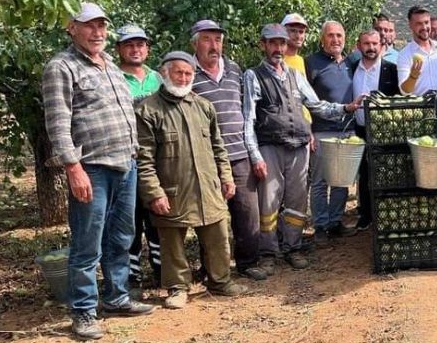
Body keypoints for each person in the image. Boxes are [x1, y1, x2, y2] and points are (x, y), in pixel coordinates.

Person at [42, 2, 154, 340]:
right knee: (87, 243)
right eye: (89, 25)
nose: (98, 32)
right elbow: (58, 124)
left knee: (121, 237)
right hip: (91, 167)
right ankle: (84, 311)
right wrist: (72, 167)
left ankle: (117, 297)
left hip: (126, 163)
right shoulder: (61, 67)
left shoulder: (109, 66)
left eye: (102, 25)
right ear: (71, 28)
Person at [243, 24, 362, 272]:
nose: (278, 48)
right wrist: (255, 156)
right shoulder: (254, 76)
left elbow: (316, 105)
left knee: (297, 202)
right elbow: (248, 120)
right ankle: (268, 254)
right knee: (269, 203)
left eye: (282, 43)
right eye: (272, 43)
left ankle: (293, 248)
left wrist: (345, 108)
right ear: (263, 45)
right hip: (270, 146)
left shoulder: (295, 76)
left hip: (298, 146)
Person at [136, 51, 247, 309]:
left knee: (218, 236)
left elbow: (219, 147)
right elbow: (143, 159)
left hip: (208, 187)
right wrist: (154, 193)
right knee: (172, 241)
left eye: (188, 74)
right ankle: (177, 288)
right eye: (179, 73)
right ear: (165, 74)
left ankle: (220, 281)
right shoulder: (148, 110)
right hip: (173, 190)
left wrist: (226, 177)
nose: (184, 78)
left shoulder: (203, 106)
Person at [190, 20, 265, 281]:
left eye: (218, 40)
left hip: (239, 152)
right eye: (208, 39)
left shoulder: (234, 69)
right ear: (195, 43)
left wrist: (253, 151)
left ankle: (247, 262)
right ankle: (210, 267)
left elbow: (246, 112)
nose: (214, 45)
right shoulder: (188, 72)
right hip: (206, 157)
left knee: (247, 212)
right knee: (209, 216)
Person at [115, 24, 162, 298]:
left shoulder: (158, 78)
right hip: (126, 159)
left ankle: (160, 271)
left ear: (147, 48)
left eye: (140, 44)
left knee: (156, 217)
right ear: (119, 49)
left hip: (156, 161)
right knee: (129, 221)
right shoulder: (113, 77)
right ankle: (132, 277)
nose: (135, 49)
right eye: (129, 45)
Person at [305, 21, 358, 241]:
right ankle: (320, 226)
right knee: (320, 182)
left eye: (339, 35)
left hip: (347, 130)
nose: (335, 40)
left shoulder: (351, 62)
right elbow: (303, 100)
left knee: (341, 180)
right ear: (322, 39)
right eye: (330, 36)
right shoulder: (311, 63)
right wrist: (308, 131)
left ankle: (336, 221)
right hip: (321, 131)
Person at [350, 29, 400, 229]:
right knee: (364, 172)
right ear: (359, 45)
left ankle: (386, 213)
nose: (371, 48)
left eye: (374, 44)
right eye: (366, 44)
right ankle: (366, 214)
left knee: (385, 171)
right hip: (360, 128)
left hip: (385, 130)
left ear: (382, 45)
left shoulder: (391, 69)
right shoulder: (352, 68)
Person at [397, 6, 437, 95]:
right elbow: (404, 91)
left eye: (426, 22)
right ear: (410, 25)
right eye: (419, 24)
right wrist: (413, 76)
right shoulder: (404, 54)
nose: (424, 27)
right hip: (420, 107)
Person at [281, 13, 311, 123]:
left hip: (305, 123)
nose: (298, 36)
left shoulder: (301, 61)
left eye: (301, 32)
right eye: (293, 31)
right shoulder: (277, 62)